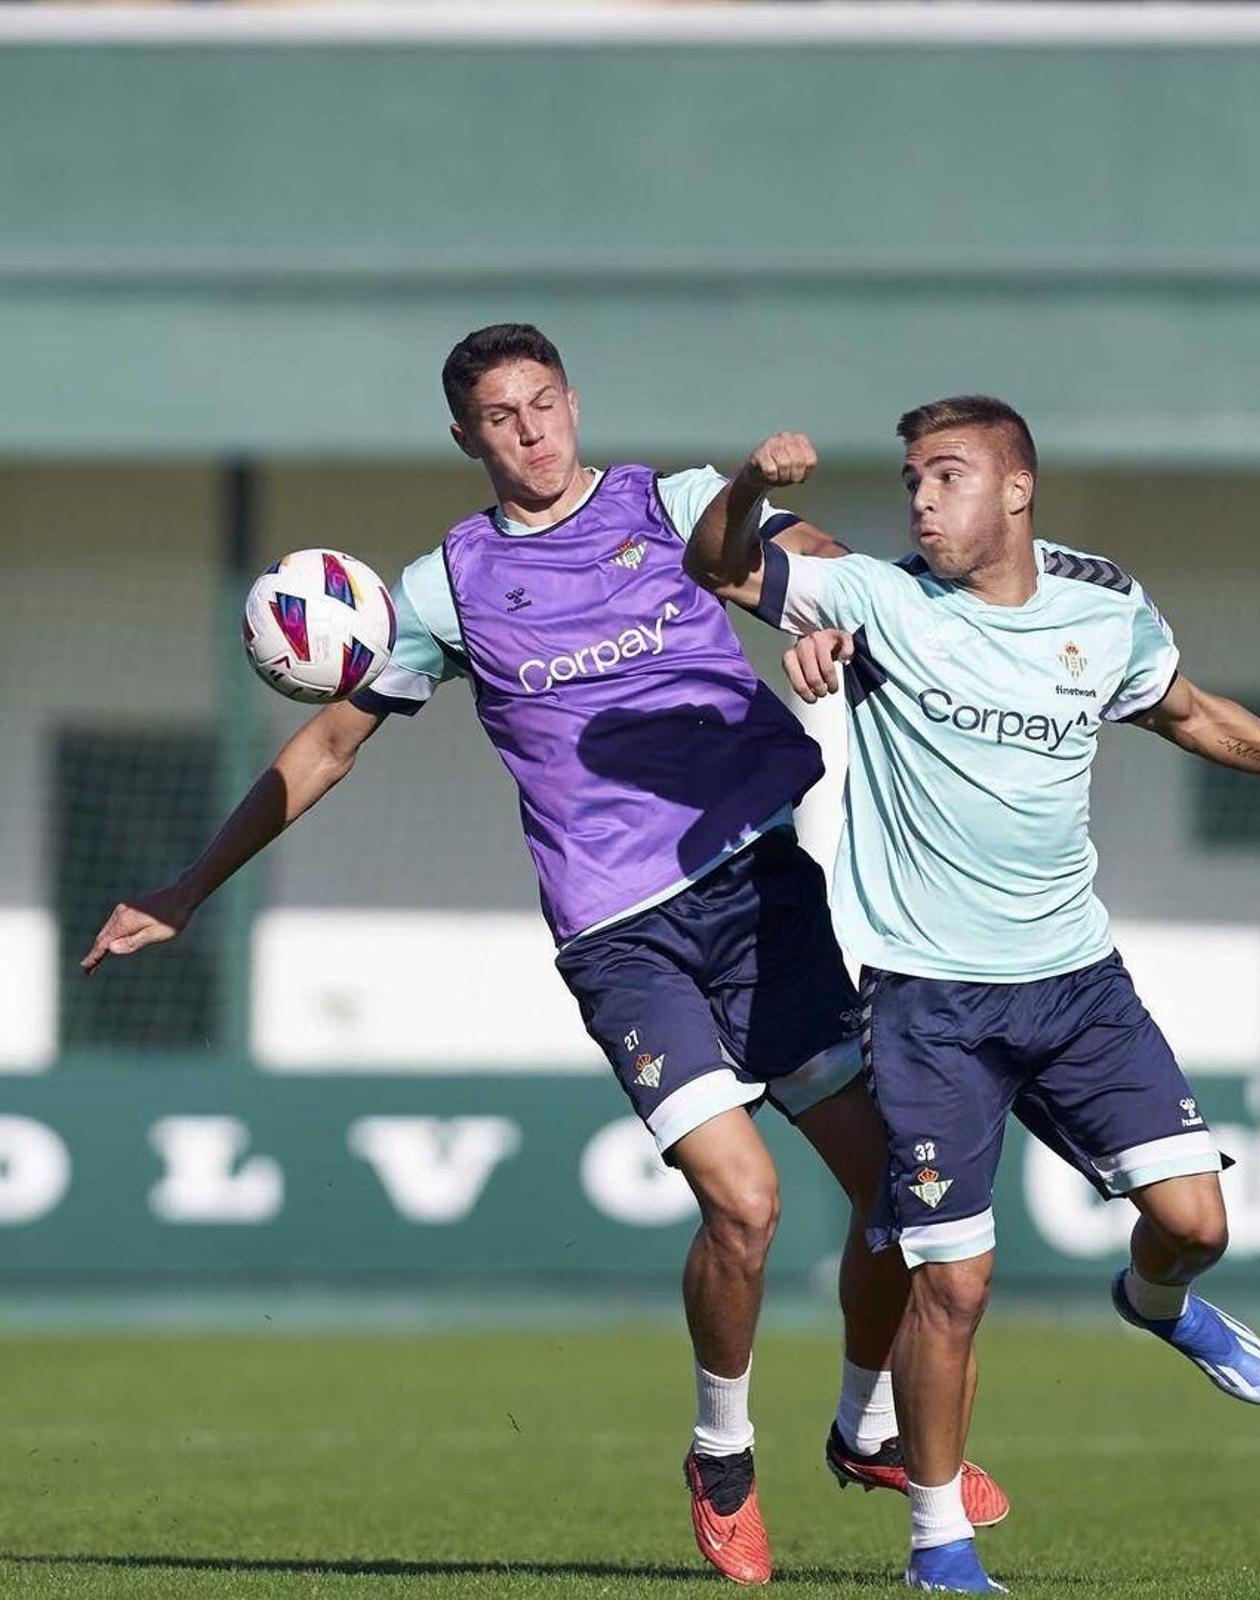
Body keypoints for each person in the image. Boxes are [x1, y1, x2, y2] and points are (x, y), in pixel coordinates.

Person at [80, 328, 1007, 1586]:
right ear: (465, 437)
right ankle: (720, 1452)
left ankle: (864, 1425)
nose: (530, 431)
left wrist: (833, 623)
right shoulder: (447, 587)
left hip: (761, 894)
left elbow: (823, 573)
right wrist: (189, 886)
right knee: (743, 1202)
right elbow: (327, 748)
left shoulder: (675, 503)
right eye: (500, 417)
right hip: (621, 933)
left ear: (572, 402)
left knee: (899, 1198)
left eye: (544, 403)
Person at [687, 400, 1260, 1593]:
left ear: (1015, 492)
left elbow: (1186, 710)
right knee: (955, 1278)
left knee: (1198, 1226)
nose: (919, 499)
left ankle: (1154, 1301)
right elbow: (722, 562)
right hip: (931, 1004)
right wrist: (748, 481)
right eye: (907, 480)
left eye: (945, 475)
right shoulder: (880, 604)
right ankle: (938, 1543)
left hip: (1078, 987)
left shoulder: (1101, 610)